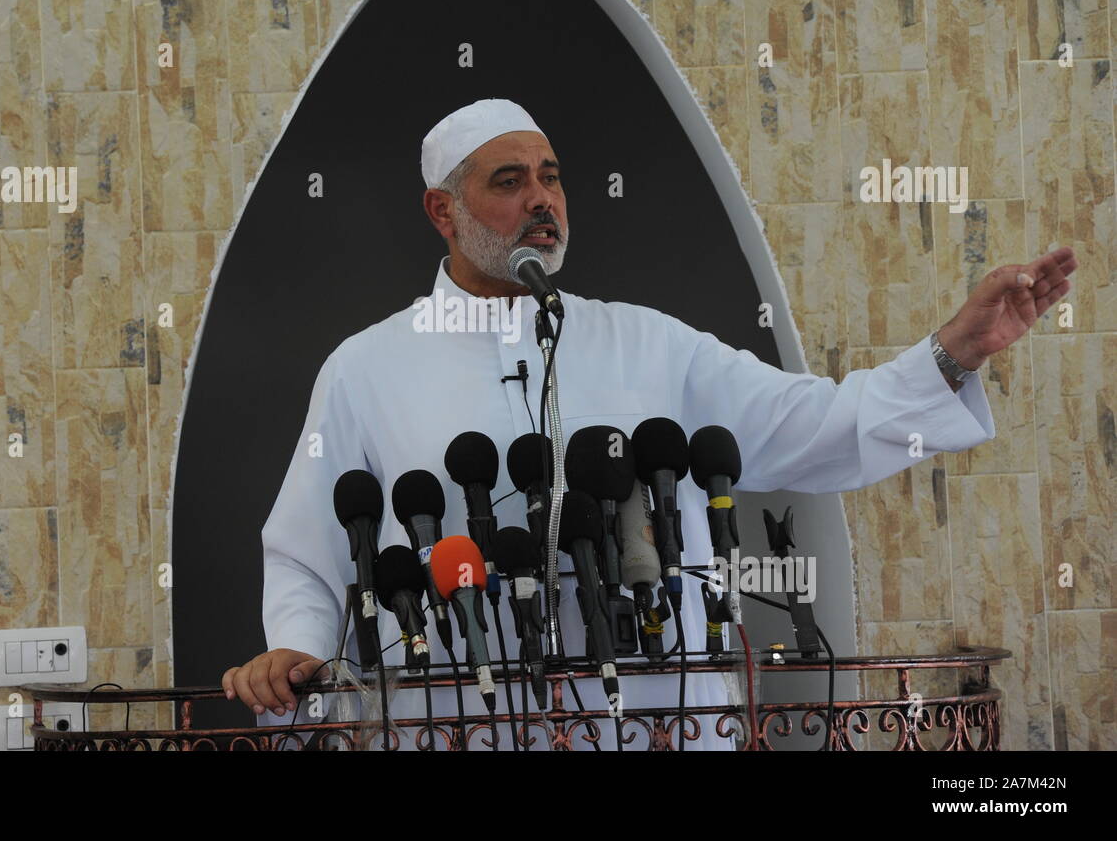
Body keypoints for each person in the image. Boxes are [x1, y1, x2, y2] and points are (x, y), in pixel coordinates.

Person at [222, 98, 1078, 749]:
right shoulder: (367, 367)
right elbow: (306, 551)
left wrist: (952, 353)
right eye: (508, 181)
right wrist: (292, 651)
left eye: (551, 175)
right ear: (441, 212)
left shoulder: (649, 343)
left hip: (652, 722)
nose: (542, 199)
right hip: (459, 722)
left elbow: (817, 425)